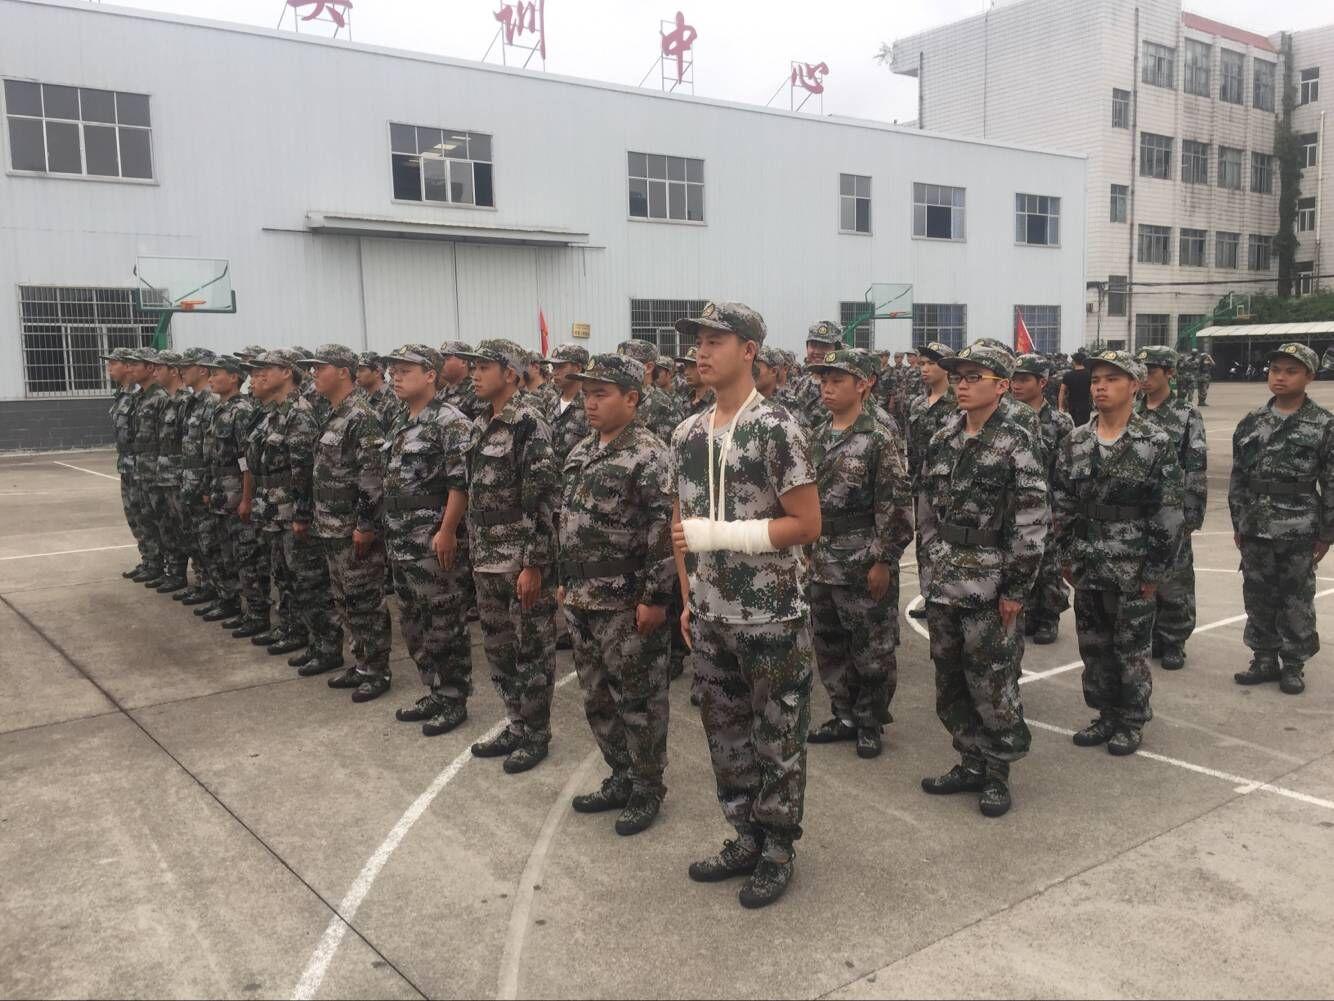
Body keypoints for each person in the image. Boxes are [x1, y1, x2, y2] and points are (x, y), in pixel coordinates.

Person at [669, 301, 821, 909]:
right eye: (699, 341)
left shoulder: (777, 428)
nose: (702, 351)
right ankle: (745, 836)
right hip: (711, 615)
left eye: (716, 340)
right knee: (726, 737)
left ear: (749, 350)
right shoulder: (686, 433)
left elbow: (807, 524)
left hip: (771, 615)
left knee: (778, 737)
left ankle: (778, 847)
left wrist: (725, 535)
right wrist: (689, 598)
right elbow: (681, 527)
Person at [917, 342, 1046, 818]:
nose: (963, 385)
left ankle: (996, 771)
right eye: (959, 376)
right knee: (949, 678)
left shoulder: (1017, 441)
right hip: (944, 579)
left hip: (991, 583)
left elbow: (1031, 519)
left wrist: (1016, 589)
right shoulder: (943, 437)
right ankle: (970, 760)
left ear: (1002, 385)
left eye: (975, 377)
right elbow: (926, 509)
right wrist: (929, 565)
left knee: (992, 681)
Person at [561, 354, 676, 835]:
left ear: (631, 398)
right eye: (586, 394)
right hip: (582, 597)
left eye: (601, 394)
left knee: (639, 698)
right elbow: (569, 520)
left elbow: (663, 533)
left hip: (626, 602)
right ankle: (620, 775)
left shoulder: (649, 455)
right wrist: (564, 578)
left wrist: (656, 598)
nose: (589, 403)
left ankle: (647, 786)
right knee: (597, 696)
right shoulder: (580, 450)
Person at [1052, 350, 1183, 756]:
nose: (1100, 387)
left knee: (1131, 647)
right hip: (1088, 561)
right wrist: (1065, 556)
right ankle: (1105, 713)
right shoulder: (1076, 440)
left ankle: (1131, 719)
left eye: (1111, 379)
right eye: (1096, 380)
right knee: (1093, 646)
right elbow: (1062, 502)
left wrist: (1156, 570)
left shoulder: (1154, 442)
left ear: (1135, 385)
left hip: (1133, 564)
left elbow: (1167, 511)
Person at [457, 338, 560, 772]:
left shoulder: (528, 423)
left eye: (484, 367)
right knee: (498, 649)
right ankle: (515, 722)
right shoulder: (481, 423)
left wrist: (534, 564)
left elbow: (543, 497)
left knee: (530, 650)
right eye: (474, 367)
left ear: (511, 374)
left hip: (519, 559)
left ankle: (535, 733)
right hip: (486, 557)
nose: (475, 374)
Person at [804, 349, 913, 759]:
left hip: (863, 558)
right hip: (822, 559)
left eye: (837, 381)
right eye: (824, 381)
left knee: (871, 648)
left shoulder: (878, 438)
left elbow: (896, 506)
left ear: (863, 385)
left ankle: (869, 720)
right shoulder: (816, 436)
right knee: (829, 645)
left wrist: (884, 560)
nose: (827, 388)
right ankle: (844, 714)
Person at [380, 344, 477, 736]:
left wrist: (448, 530)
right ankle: (434, 689)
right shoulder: (400, 421)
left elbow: (460, 483)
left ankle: (454, 697)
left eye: (405, 371)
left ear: (430, 375)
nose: (396, 377)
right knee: (413, 622)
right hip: (401, 540)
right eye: (394, 372)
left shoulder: (450, 422)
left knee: (443, 621)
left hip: (432, 541)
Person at [1230, 343, 1334, 695]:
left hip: (1300, 526)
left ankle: (1293, 664)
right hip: (1256, 525)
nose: (1280, 377)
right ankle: (1263, 658)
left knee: (1296, 598)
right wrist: (1238, 523)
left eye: (1291, 371)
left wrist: (1327, 532)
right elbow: (1239, 478)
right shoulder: (1251, 422)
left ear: (1309, 376)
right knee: (1257, 595)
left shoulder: (1324, 424)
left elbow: (1331, 482)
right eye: (1275, 370)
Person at [300, 345, 392, 702]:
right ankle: (362, 662)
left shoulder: (362, 415)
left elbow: (372, 476)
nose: (313, 374)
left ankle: (377, 669)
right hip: (330, 524)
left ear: (342, 371)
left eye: (320, 367)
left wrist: (366, 524)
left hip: (353, 526)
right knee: (345, 599)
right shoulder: (334, 413)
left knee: (364, 599)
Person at [245, 351, 343, 670]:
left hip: (293, 511)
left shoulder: (299, 413)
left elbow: (304, 470)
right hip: (274, 509)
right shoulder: (272, 413)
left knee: (310, 582)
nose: (258, 375)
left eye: (265, 369)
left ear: (287, 372)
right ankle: (295, 630)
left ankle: (327, 646)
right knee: (285, 577)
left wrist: (302, 513)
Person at [1135, 346, 1207, 670]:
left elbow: (1196, 465)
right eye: (1141, 371)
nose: (1145, 378)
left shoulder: (1186, 414)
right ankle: (1149, 634)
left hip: (1172, 509)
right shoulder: (1132, 410)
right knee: (1142, 575)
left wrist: (1191, 515)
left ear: (1170, 373)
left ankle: (1174, 639)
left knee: (1175, 578)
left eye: (1152, 371)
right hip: (1137, 510)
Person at [1009, 354, 1074, 644]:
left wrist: (1062, 511)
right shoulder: (1006, 418)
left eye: (1024, 379)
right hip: (1014, 505)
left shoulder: (1060, 422)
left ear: (1043, 382)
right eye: (1014, 379)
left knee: (1048, 566)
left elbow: (1067, 470)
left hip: (1049, 505)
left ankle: (1048, 617)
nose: (1016, 385)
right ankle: (1027, 613)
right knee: (1020, 560)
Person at [199, 355, 266, 630]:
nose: (211, 378)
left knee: (246, 557)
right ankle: (231, 601)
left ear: (234, 377)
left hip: (236, 494)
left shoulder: (242, 411)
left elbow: (246, 460)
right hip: (220, 494)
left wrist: (247, 498)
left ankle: (257, 613)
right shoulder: (219, 409)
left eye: (217, 373)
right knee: (226, 553)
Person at [905, 341, 956, 620]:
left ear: (946, 368)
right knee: (924, 540)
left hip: (950, 486)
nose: (924, 369)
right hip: (922, 485)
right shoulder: (917, 404)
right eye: (922, 363)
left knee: (949, 541)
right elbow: (911, 446)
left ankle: (950, 595)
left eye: (931, 364)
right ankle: (929, 595)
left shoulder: (958, 403)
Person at [176, 348, 221, 607]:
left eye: (186, 366)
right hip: (189, 481)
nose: (181, 371)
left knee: (209, 540)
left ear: (203, 369)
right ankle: (204, 583)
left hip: (204, 483)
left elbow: (213, 452)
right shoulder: (191, 402)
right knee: (194, 538)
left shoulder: (212, 402)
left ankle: (215, 588)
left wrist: (206, 486)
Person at [101, 347, 150, 579]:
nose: (109, 367)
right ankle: (148, 559)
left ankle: (157, 562)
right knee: (134, 517)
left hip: (141, 465)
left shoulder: (140, 394)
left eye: (114, 363)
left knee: (146, 516)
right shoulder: (123, 393)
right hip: (126, 464)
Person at [126, 349, 170, 587]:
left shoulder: (160, 397)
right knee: (144, 517)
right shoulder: (140, 397)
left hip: (155, 469)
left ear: (150, 368)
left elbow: (167, 437)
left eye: (136, 365)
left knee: (161, 520)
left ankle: (169, 568)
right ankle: (153, 562)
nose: (131, 369)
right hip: (140, 467)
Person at [617, 339, 681, 442]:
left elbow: (667, 447)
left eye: (628, 364)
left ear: (649, 367)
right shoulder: (616, 397)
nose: (620, 369)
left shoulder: (664, 407)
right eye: (619, 363)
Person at [547, 343, 590, 467]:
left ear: (578, 368)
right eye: (553, 367)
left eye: (560, 366)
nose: (554, 372)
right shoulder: (552, 403)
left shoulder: (590, 405)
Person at [438, 341, 485, 420]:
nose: (441, 363)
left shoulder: (477, 391)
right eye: (440, 359)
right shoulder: (440, 395)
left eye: (447, 359)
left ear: (463, 362)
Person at [356, 352, 401, 429]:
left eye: (361, 370)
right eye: (356, 370)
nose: (357, 375)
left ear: (377, 372)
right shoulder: (360, 396)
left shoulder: (393, 399)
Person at [676, 345, 714, 420]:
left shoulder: (717, 402)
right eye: (686, 367)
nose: (686, 372)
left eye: (692, 367)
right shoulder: (684, 399)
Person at [1058, 349, 1092, 427]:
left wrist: (1060, 406)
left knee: (1077, 425)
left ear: (1074, 362)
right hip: (1085, 405)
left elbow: (1062, 391)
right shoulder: (1089, 374)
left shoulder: (1068, 375)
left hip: (1072, 406)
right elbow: (1093, 390)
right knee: (1085, 426)